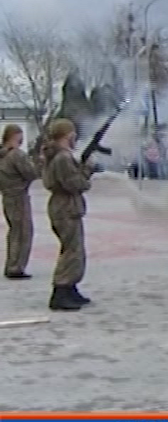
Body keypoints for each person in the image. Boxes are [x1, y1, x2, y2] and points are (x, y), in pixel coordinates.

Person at [41, 119, 94, 311]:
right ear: (67, 135)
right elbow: (74, 183)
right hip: (66, 207)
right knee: (72, 251)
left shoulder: (58, 155)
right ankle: (61, 291)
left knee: (74, 250)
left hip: (64, 206)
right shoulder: (63, 157)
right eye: (72, 134)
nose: (75, 138)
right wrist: (87, 170)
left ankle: (70, 287)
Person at [0, 124, 37, 279]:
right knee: (23, 232)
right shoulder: (16, 155)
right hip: (19, 196)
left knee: (14, 231)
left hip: (7, 196)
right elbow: (31, 173)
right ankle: (16, 267)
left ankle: (12, 264)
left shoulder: (2, 154)